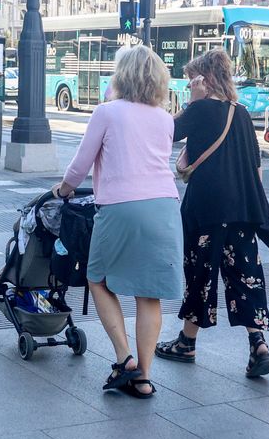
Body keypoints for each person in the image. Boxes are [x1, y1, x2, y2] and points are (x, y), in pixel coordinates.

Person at [52, 45, 182, 399]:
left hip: (121, 207)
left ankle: (125, 359)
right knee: (149, 294)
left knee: (97, 278)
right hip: (165, 207)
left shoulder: (107, 112)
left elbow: (80, 165)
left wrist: (63, 189)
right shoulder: (165, 118)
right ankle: (143, 378)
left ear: (121, 76)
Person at [155, 49, 269, 379]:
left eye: (191, 79)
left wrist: (192, 102)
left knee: (200, 275)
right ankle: (258, 344)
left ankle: (187, 343)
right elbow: (256, 166)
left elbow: (165, 132)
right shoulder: (242, 113)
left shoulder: (199, 109)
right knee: (245, 277)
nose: (188, 85)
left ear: (204, 79)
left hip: (207, 209)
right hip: (242, 211)